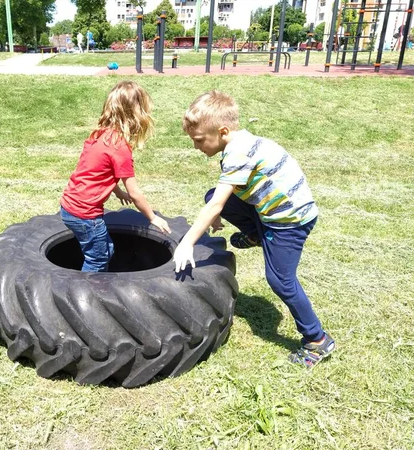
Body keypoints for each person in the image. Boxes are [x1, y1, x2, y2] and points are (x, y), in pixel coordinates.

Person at [172, 90, 335, 368]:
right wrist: (217, 208)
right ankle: (257, 234)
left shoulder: (239, 153)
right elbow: (221, 198)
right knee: (213, 196)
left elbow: (218, 205)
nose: (196, 146)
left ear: (222, 131)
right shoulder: (243, 141)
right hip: (270, 211)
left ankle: (317, 340)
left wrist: (186, 243)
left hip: (289, 222)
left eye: (199, 140)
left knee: (280, 281)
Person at [60, 81, 171, 272]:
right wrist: (152, 218)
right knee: (97, 259)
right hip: (86, 215)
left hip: (69, 207)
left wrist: (117, 191)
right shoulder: (120, 148)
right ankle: (86, 296)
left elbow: (96, 173)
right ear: (137, 115)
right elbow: (135, 193)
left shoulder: (98, 136)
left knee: (106, 251)